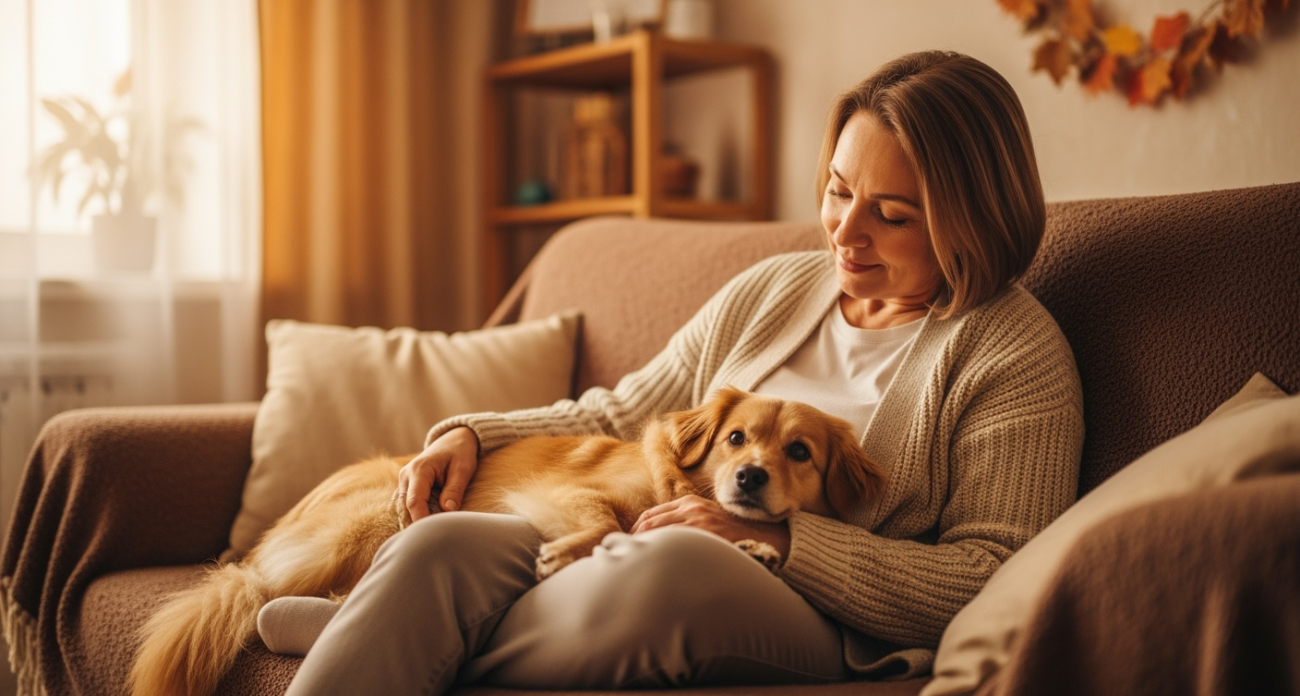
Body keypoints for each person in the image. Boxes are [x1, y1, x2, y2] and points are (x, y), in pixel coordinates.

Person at [275, 50, 1084, 694]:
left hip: (829, 617)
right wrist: (474, 435)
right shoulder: (777, 288)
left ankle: (399, 635)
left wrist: (775, 536)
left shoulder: (1014, 355)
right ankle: (399, 622)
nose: (846, 232)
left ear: (971, 214)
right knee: (442, 547)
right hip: (655, 538)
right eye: (839, 192)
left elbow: (992, 576)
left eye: (892, 214)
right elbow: (626, 410)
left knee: (667, 569)